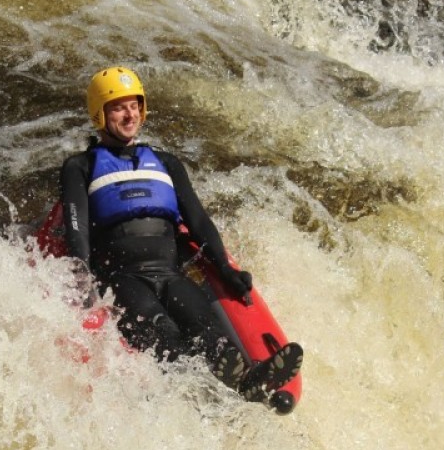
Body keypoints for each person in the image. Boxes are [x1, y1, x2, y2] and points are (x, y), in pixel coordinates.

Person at [58, 66, 301, 399]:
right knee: (166, 334)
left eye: (134, 105)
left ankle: (250, 383)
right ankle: (204, 398)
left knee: (210, 332)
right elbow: (77, 227)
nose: (129, 115)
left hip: (170, 274)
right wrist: (83, 280)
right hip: (123, 278)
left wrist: (226, 270)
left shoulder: (167, 163)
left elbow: (198, 221)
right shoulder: (80, 167)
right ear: (100, 113)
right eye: (118, 107)